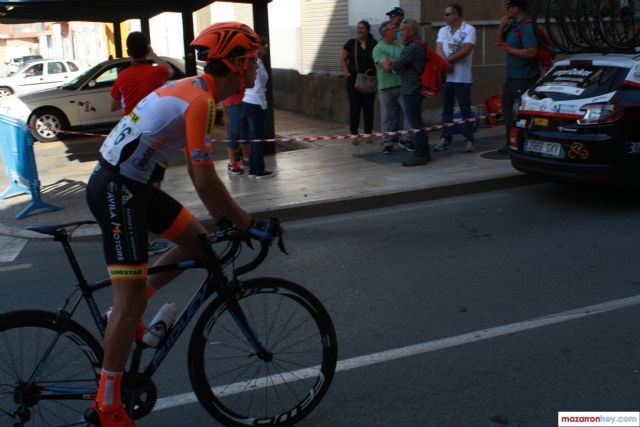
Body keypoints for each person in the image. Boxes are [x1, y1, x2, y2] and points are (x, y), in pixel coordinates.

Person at [85, 22, 280, 427]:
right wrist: (248, 223)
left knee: (198, 242)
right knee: (127, 303)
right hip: (117, 188)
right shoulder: (201, 100)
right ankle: (107, 406)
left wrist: (239, 221)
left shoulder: (201, 91)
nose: (257, 68)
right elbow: (204, 180)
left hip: (132, 185)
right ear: (237, 63)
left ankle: (133, 310)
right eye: (253, 60)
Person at [110, 31, 175, 256]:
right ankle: (147, 238)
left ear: (128, 52)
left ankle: (137, 236)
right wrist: (154, 55)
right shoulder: (157, 72)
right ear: (146, 49)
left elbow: (113, 105)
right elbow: (170, 70)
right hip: (155, 136)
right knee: (153, 189)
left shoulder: (122, 77)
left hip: (129, 135)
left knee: (133, 188)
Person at [496, 0, 539, 156]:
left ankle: (524, 143)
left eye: (508, 7)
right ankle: (510, 144)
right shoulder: (512, 25)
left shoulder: (527, 26)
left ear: (516, 8)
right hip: (512, 76)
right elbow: (499, 43)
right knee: (507, 110)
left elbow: (531, 52)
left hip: (525, 77)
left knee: (522, 113)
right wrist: (502, 26)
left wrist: (510, 49)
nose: (506, 9)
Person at [388, 18, 432, 166]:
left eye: (403, 30)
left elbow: (395, 66)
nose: (400, 33)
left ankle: (420, 155)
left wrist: (395, 63)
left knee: (416, 124)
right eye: (399, 30)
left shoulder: (413, 47)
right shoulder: (414, 45)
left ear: (412, 31)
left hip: (411, 89)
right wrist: (400, 65)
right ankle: (425, 153)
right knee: (417, 122)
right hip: (413, 88)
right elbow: (400, 66)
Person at [434, 4, 477, 153]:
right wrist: (445, 64)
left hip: (462, 78)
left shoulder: (469, 29)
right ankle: (445, 138)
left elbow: (467, 49)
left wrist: (449, 61)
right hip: (446, 77)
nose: (444, 17)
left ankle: (469, 139)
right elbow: (438, 48)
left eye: (447, 14)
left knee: (465, 110)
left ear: (456, 15)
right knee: (446, 109)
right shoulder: (443, 30)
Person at [242, 35, 274, 179]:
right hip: (255, 103)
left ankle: (254, 170)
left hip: (249, 102)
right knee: (257, 138)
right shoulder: (256, 62)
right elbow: (258, 87)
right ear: (258, 47)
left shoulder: (255, 61)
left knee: (255, 138)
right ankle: (258, 170)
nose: (266, 48)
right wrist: (263, 106)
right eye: (264, 45)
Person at [341, 20, 377, 145]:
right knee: (355, 107)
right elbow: (343, 59)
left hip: (369, 80)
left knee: (369, 107)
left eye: (362, 28)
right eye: (358, 28)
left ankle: (368, 133)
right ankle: (354, 134)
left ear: (367, 30)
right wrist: (347, 73)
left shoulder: (373, 43)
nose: (359, 30)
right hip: (354, 80)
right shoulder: (351, 43)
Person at [372, 20, 405, 154]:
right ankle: (387, 143)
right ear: (386, 32)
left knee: (408, 113)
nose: (397, 31)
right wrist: (396, 63)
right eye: (393, 29)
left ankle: (407, 139)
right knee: (386, 117)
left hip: (401, 85)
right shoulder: (378, 48)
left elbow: (406, 67)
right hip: (385, 87)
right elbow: (386, 67)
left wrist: (392, 60)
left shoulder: (401, 47)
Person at [223, 90, 250, 175]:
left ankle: (246, 159)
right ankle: (232, 163)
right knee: (234, 133)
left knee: (245, 132)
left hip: (246, 101)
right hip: (233, 104)